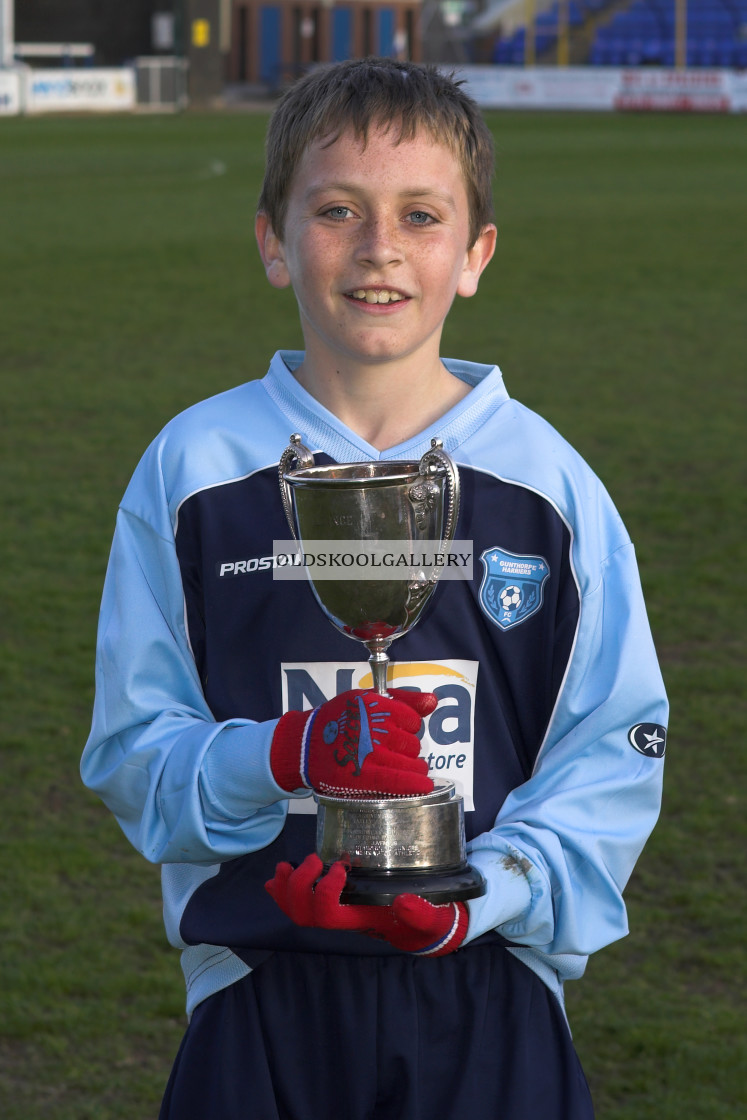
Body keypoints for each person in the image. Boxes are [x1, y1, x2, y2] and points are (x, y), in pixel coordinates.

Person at [81, 58, 668, 1119]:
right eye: (337, 208)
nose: (379, 247)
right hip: (262, 990)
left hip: (489, 993)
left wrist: (476, 898)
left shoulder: (549, 485)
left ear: (476, 253)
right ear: (273, 240)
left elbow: (611, 754)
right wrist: (284, 753)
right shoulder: (194, 469)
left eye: (421, 213)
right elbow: (131, 754)